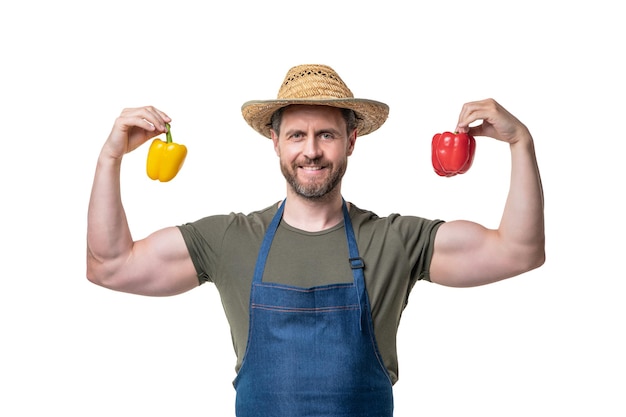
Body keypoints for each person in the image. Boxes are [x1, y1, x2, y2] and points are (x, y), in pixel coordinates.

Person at [86, 64, 545, 417]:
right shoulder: (228, 239)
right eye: (297, 135)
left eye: (326, 134)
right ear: (275, 142)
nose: (311, 150)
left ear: (351, 140)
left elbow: (518, 251)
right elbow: (110, 266)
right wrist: (110, 157)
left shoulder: (395, 240)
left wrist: (520, 142)